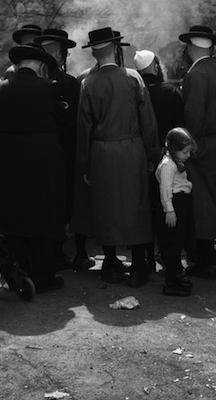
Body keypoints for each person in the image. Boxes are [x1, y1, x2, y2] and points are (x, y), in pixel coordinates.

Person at [74, 26, 158, 287]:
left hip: (101, 152)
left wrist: (85, 164)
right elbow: (149, 123)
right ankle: (138, 266)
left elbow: (83, 129)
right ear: (115, 49)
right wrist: (154, 154)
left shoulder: (88, 83)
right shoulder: (134, 78)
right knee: (137, 204)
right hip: (132, 149)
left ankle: (110, 263)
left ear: (94, 54)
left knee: (106, 206)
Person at [0, 42, 67, 293]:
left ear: (18, 65)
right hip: (42, 160)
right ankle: (43, 276)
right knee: (43, 215)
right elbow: (62, 122)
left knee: (12, 216)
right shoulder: (49, 88)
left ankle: (13, 272)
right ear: (42, 67)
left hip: (8, 158)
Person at [34, 27, 94, 272]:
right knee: (65, 202)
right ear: (59, 54)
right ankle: (63, 253)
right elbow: (75, 123)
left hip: (38, 152)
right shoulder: (68, 83)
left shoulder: (33, 82)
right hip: (64, 152)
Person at [179, 24, 216, 279]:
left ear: (190, 47)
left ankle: (206, 261)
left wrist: (187, 146)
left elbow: (193, 115)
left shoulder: (196, 74)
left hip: (199, 144)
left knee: (202, 203)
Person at [134, 48, 185, 270]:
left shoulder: (135, 92)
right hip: (168, 155)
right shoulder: (171, 92)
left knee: (145, 206)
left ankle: (146, 257)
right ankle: (167, 255)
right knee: (167, 204)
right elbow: (180, 128)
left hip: (142, 153)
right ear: (156, 66)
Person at [155, 127, 196, 296]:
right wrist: (169, 210)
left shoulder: (175, 163)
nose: (187, 155)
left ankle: (177, 275)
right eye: (184, 152)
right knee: (172, 243)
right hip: (174, 204)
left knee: (178, 242)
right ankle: (171, 281)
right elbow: (165, 190)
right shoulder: (167, 165)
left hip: (182, 202)